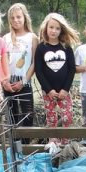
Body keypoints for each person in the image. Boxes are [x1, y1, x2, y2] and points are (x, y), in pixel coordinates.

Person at [34, 13, 79, 142]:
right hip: (49, 92)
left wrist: (65, 89)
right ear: (46, 28)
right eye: (51, 27)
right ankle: (53, 144)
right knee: (51, 118)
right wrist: (49, 90)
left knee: (67, 117)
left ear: (61, 30)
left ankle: (65, 143)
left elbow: (71, 69)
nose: (54, 31)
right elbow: (39, 71)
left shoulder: (66, 47)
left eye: (57, 28)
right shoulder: (41, 48)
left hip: (64, 91)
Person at [2, 3, 38, 130]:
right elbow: (3, 62)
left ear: (25, 17)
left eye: (18, 17)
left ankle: (25, 146)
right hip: (8, 84)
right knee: (11, 117)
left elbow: (34, 62)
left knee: (27, 116)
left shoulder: (32, 37)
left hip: (24, 82)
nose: (15, 20)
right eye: (12, 18)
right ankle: (13, 146)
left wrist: (23, 82)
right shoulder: (5, 38)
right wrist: (5, 81)